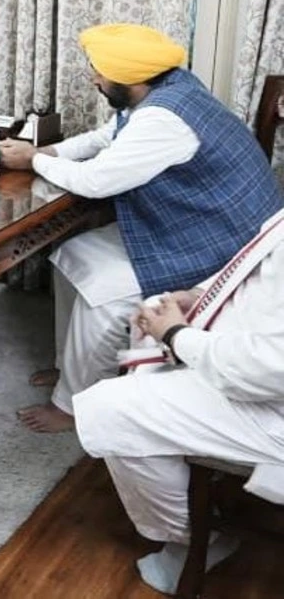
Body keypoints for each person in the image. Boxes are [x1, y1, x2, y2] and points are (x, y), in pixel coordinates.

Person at [0, 23, 283, 433]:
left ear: (128, 77)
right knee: (70, 255)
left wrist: (34, 161)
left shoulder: (164, 119)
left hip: (223, 244)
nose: (94, 79)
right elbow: (105, 137)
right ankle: (69, 367)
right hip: (202, 224)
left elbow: (95, 180)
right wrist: (46, 151)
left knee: (102, 294)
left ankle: (73, 406)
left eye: (99, 72)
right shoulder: (166, 87)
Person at [73, 207, 284, 594]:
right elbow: (263, 263)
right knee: (153, 310)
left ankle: (192, 538)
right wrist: (201, 297)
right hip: (249, 354)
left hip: (269, 401)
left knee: (110, 411)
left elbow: (268, 367)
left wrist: (177, 336)